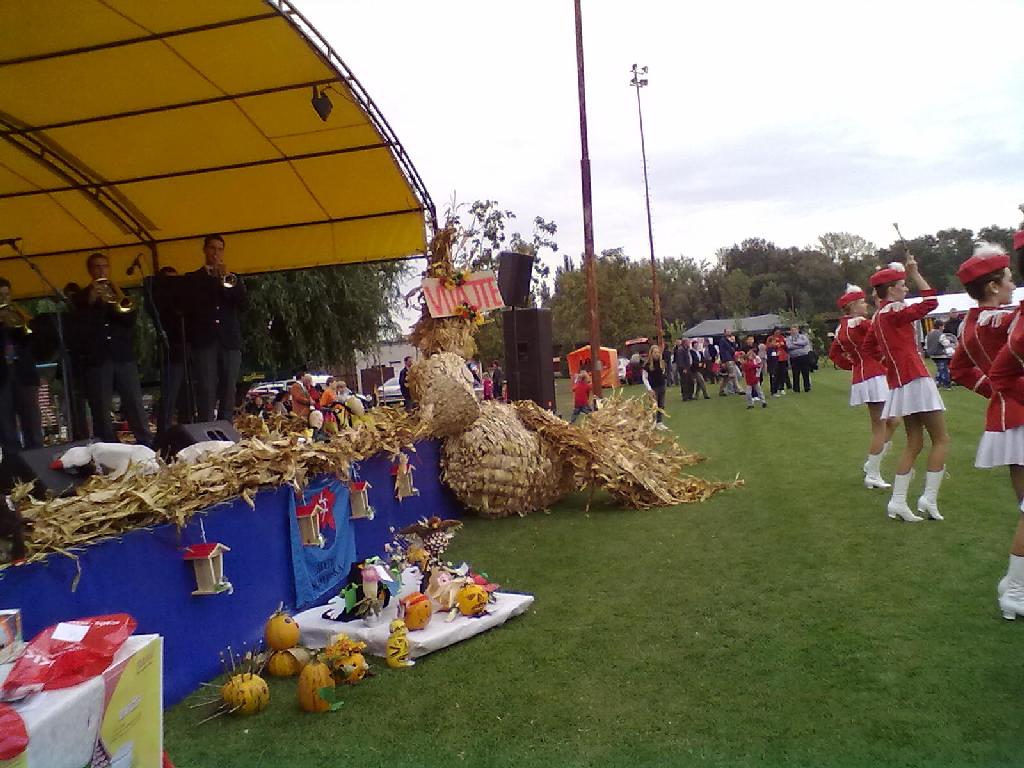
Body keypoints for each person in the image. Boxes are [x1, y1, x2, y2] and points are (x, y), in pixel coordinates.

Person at [864, 256, 948, 522]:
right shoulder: (894, 310)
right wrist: (915, 273)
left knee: (915, 442)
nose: (906, 288)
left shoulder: (878, 316)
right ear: (891, 289)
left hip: (900, 383)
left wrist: (891, 360)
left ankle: (898, 501)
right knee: (941, 439)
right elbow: (931, 302)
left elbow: (868, 348)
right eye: (902, 285)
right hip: (915, 378)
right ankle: (927, 499)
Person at [982, 230, 1024, 618]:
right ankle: (1014, 589)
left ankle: (1013, 584)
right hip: (1015, 417)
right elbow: (1000, 372)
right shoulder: (993, 319)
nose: (1012, 284)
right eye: (1005, 278)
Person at [73, 253, 152, 445]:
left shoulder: (119, 293)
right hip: (98, 357)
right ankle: (109, 445)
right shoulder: (81, 298)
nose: (102, 271)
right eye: (97, 267)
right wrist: (91, 302)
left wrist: (114, 302)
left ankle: (146, 442)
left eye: (105, 266)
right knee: (101, 406)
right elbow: (79, 328)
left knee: (134, 401)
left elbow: (129, 320)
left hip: (122, 355)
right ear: (90, 271)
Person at [829, 284, 898, 489]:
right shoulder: (859, 323)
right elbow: (883, 330)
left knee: (893, 421)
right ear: (852, 306)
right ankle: (873, 473)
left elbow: (834, 354)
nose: (865, 304)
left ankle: (872, 463)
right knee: (880, 427)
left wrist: (853, 365)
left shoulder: (841, 327)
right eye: (861, 302)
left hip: (866, 375)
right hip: (873, 375)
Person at [186, 234, 248, 421]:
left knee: (229, 387)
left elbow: (243, 304)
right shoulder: (193, 278)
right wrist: (211, 280)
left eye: (220, 249)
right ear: (205, 250)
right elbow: (191, 307)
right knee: (206, 387)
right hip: (205, 341)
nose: (216, 253)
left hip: (229, 340)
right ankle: (206, 425)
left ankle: (225, 426)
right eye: (212, 248)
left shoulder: (232, 278)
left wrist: (226, 282)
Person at [0, 278, 42, 450]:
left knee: (32, 422)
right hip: (2, 376)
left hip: (24, 374)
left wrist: (17, 325)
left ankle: (37, 461)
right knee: (6, 428)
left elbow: (33, 340)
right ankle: (14, 463)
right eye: (0, 295)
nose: (4, 299)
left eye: (7, 295)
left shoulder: (17, 316)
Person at [641, 344, 670, 430]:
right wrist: (649, 389)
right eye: (655, 352)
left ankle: (659, 422)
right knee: (653, 406)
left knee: (661, 405)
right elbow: (644, 378)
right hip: (653, 388)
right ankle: (653, 422)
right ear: (651, 353)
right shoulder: (647, 365)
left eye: (658, 352)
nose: (657, 354)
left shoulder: (662, 363)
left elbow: (663, 372)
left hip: (661, 386)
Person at [925, 319, 953, 389]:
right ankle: (945, 384)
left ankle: (939, 382)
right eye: (943, 326)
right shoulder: (940, 335)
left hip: (932, 355)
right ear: (940, 326)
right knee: (943, 369)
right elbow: (945, 343)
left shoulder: (928, 334)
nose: (943, 328)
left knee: (940, 369)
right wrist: (950, 343)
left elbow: (926, 345)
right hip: (940, 354)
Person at [786, 325, 813, 393]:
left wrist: (795, 343)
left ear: (798, 330)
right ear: (790, 331)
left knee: (805, 372)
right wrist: (800, 346)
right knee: (795, 373)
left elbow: (805, 342)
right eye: (792, 330)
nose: (794, 331)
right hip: (794, 357)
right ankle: (796, 389)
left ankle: (807, 387)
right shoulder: (789, 338)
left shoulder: (803, 336)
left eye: (795, 330)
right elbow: (789, 346)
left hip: (803, 356)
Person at [769, 328, 791, 395]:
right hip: (775, 359)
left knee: (782, 373)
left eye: (779, 332)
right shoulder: (770, 338)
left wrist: (783, 344)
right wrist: (775, 345)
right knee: (775, 374)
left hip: (783, 358)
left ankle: (782, 388)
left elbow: (786, 346)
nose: (778, 333)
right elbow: (768, 347)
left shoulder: (782, 337)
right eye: (776, 332)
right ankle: (774, 390)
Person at [717, 331, 739, 396]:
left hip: (731, 359)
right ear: (725, 333)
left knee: (726, 377)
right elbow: (722, 351)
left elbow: (734, 348)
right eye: (728, 332)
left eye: (730, 331)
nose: (729, 333)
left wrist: (733, 342)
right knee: (733, 374)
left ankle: (721, 390)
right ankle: (738, 389)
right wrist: (723, 361)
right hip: (727, 359)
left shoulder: (730, 340)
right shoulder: (723, 340)